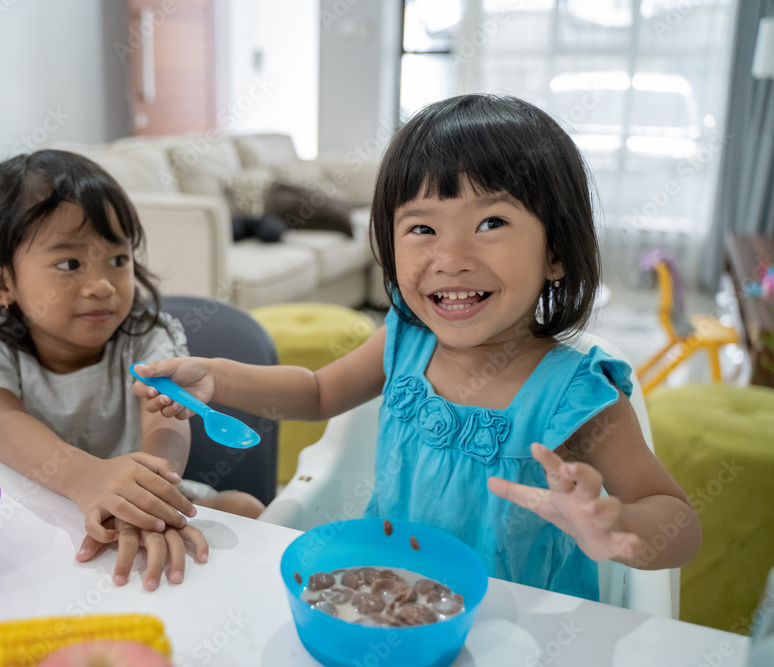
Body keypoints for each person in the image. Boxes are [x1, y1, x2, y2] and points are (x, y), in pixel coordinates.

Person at [133, 94, 702, 600]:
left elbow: (678, 522)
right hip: (389, 598)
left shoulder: (576, 393)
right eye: (422, 229)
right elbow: (315, 392)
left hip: (522, 627)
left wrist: (614, 526)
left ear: (555, 253)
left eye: (491, 222)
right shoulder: (406, 338)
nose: (449, 258)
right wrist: (218, 379)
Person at [0, 149, 265, 591]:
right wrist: (87, 478)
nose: (101, 285)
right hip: (48, 503)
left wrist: (146, 499)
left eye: (117, 260)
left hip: (148, 490)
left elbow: (166, 422)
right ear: (3, 284)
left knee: (248, 509)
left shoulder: (146, 338)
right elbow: (1, 424)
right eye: (70, 264)